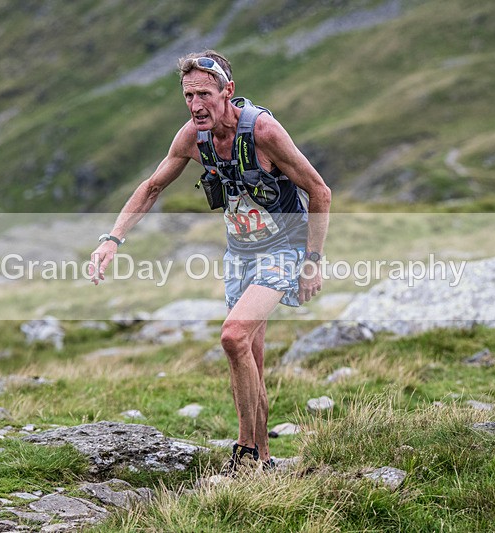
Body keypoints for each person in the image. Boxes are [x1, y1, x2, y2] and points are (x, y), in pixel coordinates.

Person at [89, 50, 330, 474]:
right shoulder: (192, 137)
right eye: (188, 95)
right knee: (249, 357)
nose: (196, 105)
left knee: (233, 337)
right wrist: (112, 239)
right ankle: (265, 464)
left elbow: (319, 191)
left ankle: (244, 453)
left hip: (284, 249)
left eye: (204, 94)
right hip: (239, 254)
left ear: (228, 91)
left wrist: (312, 260)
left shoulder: (264, 132)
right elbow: (151, 187)